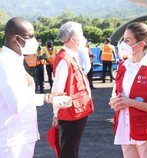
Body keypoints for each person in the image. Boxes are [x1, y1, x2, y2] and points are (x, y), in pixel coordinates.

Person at [0, 17, 52, 158]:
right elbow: (16, 103)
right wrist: (31, 87)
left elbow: (22, 97)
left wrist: (47, 98)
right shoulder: (5, 64)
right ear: (15, 38)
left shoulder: (15, 61)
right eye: (29, 36)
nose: (34, 40)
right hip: (11, 142)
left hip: (22, 137)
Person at [109, 22, 147, 158]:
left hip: (146, 134)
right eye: (123, 39)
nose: (123, 44)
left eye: (127, 40)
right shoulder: (122, 66)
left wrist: (131, 103)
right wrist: (114, 102)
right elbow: (116, 93)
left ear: (141, 44)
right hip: (125, 131)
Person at [51, 21, 94, 158]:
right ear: (74, 39)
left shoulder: (70, 56)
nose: (83, 38)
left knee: (72, 148)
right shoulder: (64, 59)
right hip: (71, 114)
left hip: (77, 111)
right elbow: (57, 90)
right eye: (81, 35)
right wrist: (57, 114)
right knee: (69, 151)